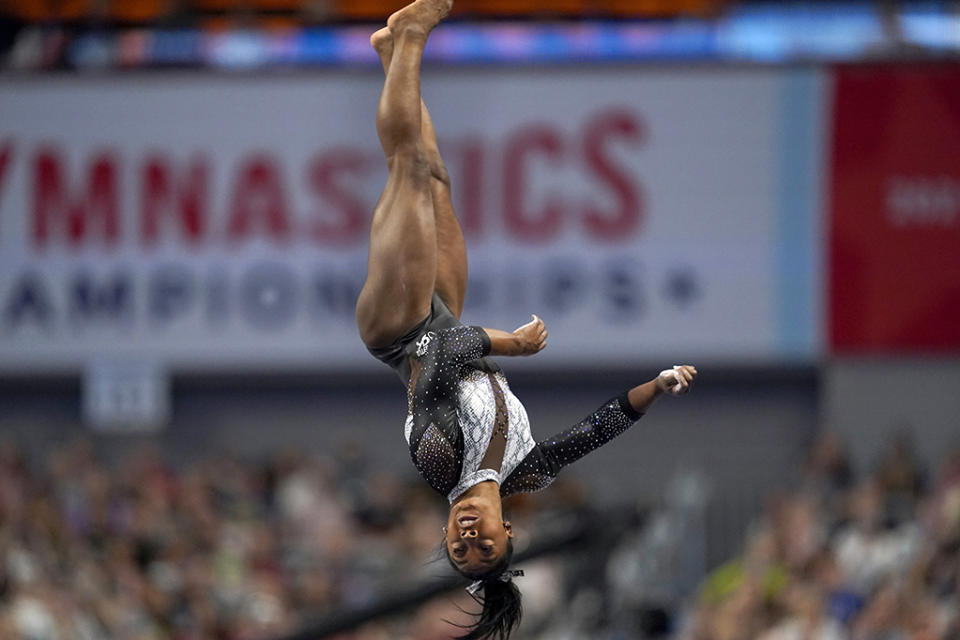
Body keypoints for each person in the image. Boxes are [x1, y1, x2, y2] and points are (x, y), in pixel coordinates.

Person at [355, 1, 697, 637]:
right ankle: (391, 55)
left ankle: (410, 37)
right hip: (444, 316)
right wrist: (660, 385)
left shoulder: (437, 464)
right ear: (507, 530)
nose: (468, 542)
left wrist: (510, 343)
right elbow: (600, 427)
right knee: (437, 181)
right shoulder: (529, 470)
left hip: (401, 330)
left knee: (408, 169)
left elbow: (443, 357)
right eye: (484, 548)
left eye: (460, 552)